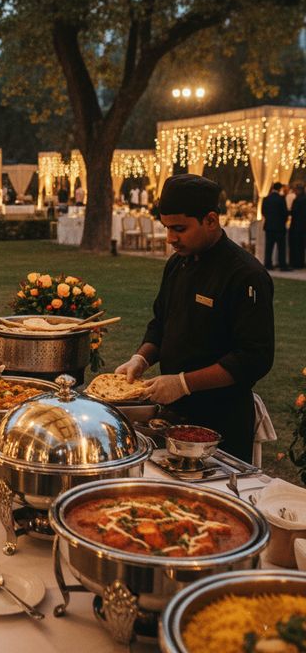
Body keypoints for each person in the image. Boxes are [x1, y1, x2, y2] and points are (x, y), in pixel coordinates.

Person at [115, 174, 274, 461]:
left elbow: (254, 358)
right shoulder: (177, 264)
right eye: (166, 228)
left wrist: (183, 383)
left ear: (211, 220)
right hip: (172, 415)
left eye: (179, 229)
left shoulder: (245, 275)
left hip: (221, 420)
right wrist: (140, 359)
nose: (170, 238)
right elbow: (161, 323)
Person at [262, 182, 290, 271]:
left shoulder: (266, 199)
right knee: (281, 247)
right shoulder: (281, 199)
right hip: (279, 227)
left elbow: (263, 212)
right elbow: (284, 213)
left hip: (269, 227)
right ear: (280, 189)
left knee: (269, 247)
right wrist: (283, 221)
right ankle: (282, 265)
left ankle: (268, 264)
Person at [289, 183, 306, 269]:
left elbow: (294, 212)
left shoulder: (297, 200)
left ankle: (296, 263)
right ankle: (301, 262)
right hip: (303, 226)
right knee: (301, 246)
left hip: (296, 226)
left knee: (296, 245)